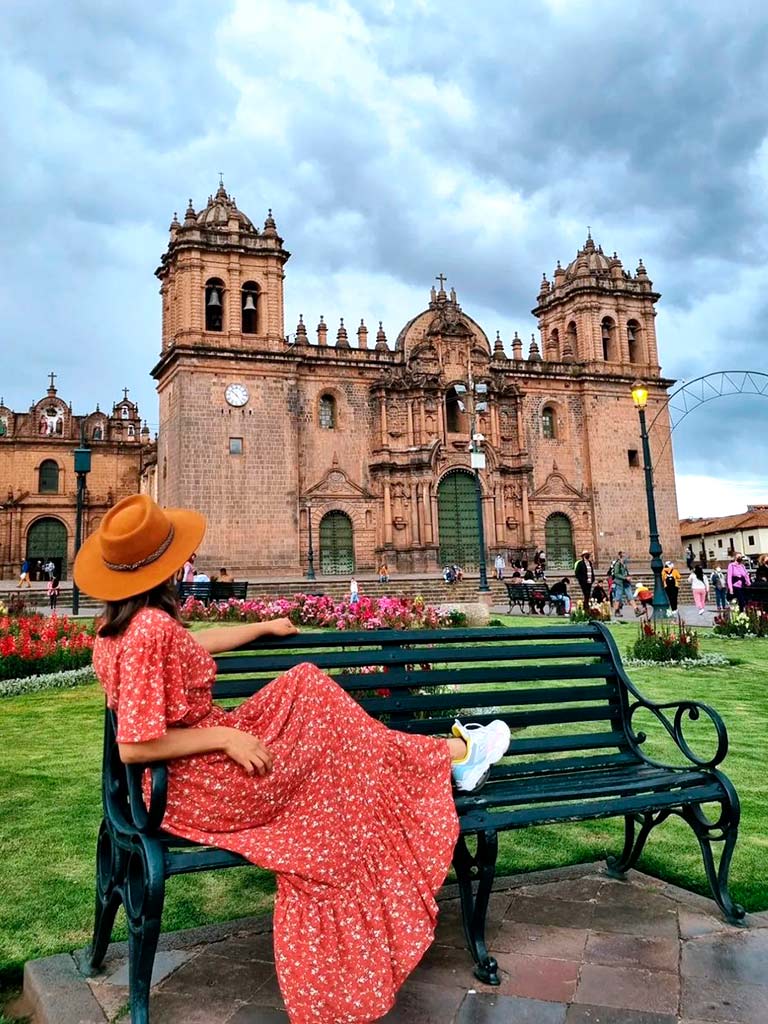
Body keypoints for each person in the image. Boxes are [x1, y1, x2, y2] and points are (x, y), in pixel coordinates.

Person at [73, 494, 512, 1023]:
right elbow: (135, 747)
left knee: (308, 692)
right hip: (196, 785)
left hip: (190, 776)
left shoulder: (124, 626)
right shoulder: (148, 632)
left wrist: (261, 628)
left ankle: (445, 757)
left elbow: (191, 647)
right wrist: (225, 740)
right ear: (161, 567)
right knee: (323, 720)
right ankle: (451, 757)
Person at [612, 552, 639, 619]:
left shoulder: (624, 564)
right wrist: (625, 577)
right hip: (619, 583)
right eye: (624, 556)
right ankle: (616, 611)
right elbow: (616, 574)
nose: (626, 558)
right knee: (618, 598)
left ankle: (636, 610)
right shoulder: (618, 564)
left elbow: (625, 573)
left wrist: (628, 577)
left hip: (626, 583)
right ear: (621, 557)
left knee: (630, 596)